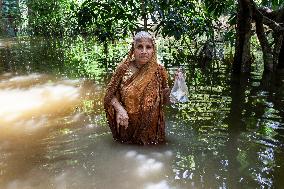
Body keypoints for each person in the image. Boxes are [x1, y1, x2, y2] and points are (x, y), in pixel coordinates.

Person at [104, 31, 172, 145]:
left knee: (152, 148)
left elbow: (164, 99)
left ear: (153, 50)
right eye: (139, 47)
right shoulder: (123, 69)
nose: (144, 51)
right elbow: (109, 95)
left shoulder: (159, 70)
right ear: (133, 49)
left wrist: (177, 89)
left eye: (148, 47)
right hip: (127, 125)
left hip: (151, 128)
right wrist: (120, 109)